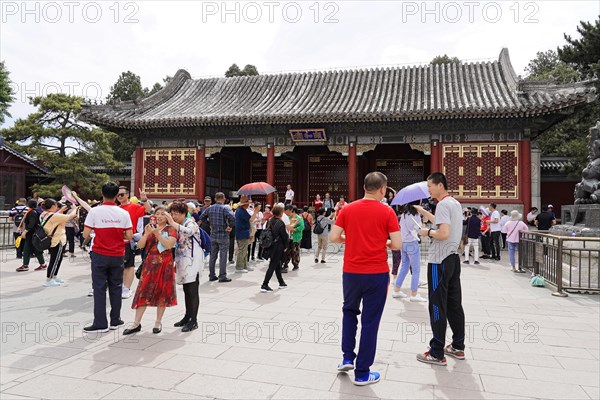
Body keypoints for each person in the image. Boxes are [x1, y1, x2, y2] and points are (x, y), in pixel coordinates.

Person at [330, 171, 401, 386]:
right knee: (370, 322)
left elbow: (334, 237)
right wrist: (384, 243)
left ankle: (347, 357)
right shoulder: (387, 212)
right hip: (376, 273)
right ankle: (362, 373)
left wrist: (350, 240)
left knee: (349, 312)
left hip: (351, 272)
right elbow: (397, 244)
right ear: (382, 189)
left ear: (364, 187)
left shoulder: (347, 209)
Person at [414, 172, 465, 366]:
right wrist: (424, 213)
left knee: (436, 304)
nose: (428, 190)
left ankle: (437, 351)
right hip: (453, 258)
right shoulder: (453, 203)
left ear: (440, 185)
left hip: (439, 260)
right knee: (454, 303)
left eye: (430, 186)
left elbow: (443, 232)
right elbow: (443, 222)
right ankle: (458, 345)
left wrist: (427, 232)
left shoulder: (443, 204)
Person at [82, 182, 133, 333]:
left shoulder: (95, 212)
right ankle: (115, 320)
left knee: (99, 288)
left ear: (102, 194)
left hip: (99, 253)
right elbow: (129, 236)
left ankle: (100, 323)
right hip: (118, 254)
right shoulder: (124, 213)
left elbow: (85, 234)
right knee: (116, 287)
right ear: (117, 195)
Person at [123, 206, 177, 335]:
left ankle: (158, 322)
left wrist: (157, 234)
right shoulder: (149, 228)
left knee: (162, 293)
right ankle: (136, 323)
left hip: (165, 265)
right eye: (157, 214)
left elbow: (169, 244)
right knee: (143, 292)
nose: (159, 216)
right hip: (149, 265)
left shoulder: (171, 229)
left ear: (167, 217)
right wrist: (147, 234)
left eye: (162, 214)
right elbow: (140, 245)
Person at [166, 201, 203, 332]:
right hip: (182, 260)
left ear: (183, 213)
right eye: (172, 214)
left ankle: (194, 320)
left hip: (192, 260)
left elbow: (189, 232)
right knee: (186, 290)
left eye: (176, 214)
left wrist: (172, 223)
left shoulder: (190, 223)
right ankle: (187, 316)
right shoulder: (178, 224)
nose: (174, 216)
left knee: (192, 290)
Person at [117, 186, 151, 299]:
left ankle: (126, 288)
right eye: (117, 195)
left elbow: (148, 210)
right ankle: (120, 286)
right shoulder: (116, 208)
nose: (119, 197)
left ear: (127, 195)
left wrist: (144, 199)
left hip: (128, 240)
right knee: (118, 266)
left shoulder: (135, 207)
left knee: (129, 266)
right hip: (116, 241)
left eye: (122, 194)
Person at [40, 199, 78, 287]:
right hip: (57, 240)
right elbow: (71, 216)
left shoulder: (45, 214)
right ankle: (48, 279)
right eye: (56, 205)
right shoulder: (54, 215)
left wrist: (61, 211)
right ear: (53, 206)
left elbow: (56, 217)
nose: (57, 207)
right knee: (54, 260)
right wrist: (74, 208)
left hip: (55, 239)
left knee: (58, 259)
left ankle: (54, 276)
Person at [392, 202, 426, 302]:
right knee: (416, 270)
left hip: (404, 243)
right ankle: (414, 294)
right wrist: (423, 223)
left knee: (404, 267)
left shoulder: (403, 215)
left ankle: (397, 290)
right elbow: (419, 231)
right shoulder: (415, 215)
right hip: (412, 243)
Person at [200, 192, 235, 282]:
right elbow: (233, 218)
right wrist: (230, 226)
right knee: (223, 255)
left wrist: (208, 223)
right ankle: (222, 275)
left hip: (213, 234)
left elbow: (202, 217)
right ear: (224, 199)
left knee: (213, 256)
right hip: (223, 234)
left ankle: (212, 275)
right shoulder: (225, 208)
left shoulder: (210, 208)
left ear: (215, 199)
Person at [260, 205, 288, 292]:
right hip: (278, 246)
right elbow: (284, 236)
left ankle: (281, 282)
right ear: (280, 213)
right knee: (273, 265)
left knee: (277, 264)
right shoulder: (280, 223)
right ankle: (265, 284)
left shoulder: (270, 221)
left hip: (271, 245)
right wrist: (286, 246)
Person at [16, 199, 46, 272]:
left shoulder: (31, 212)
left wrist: (25, 231)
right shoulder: (36, 212)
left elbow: (31, 224)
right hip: (35, 233)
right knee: (34, 249)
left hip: (31, 234)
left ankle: (26, 265)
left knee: (28, 249)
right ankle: (42, 264)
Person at [235, 195, 255, 273]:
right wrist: (256, 211)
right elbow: (251, 219)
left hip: (243, 232)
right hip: (242, 232)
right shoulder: (241, 211)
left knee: (244, 250)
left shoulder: (241, 210)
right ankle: (239, 267)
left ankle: (245, 265)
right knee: (242, 250)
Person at [283, 205, 304, 271]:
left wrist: (295, 230)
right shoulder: (288, 218)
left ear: (293, 211)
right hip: (289, 237)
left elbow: (302, 227)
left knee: (295, 252)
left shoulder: (299, 218)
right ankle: (285, 263)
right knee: (287, 251)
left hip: (296, 237)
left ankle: (295, 264)